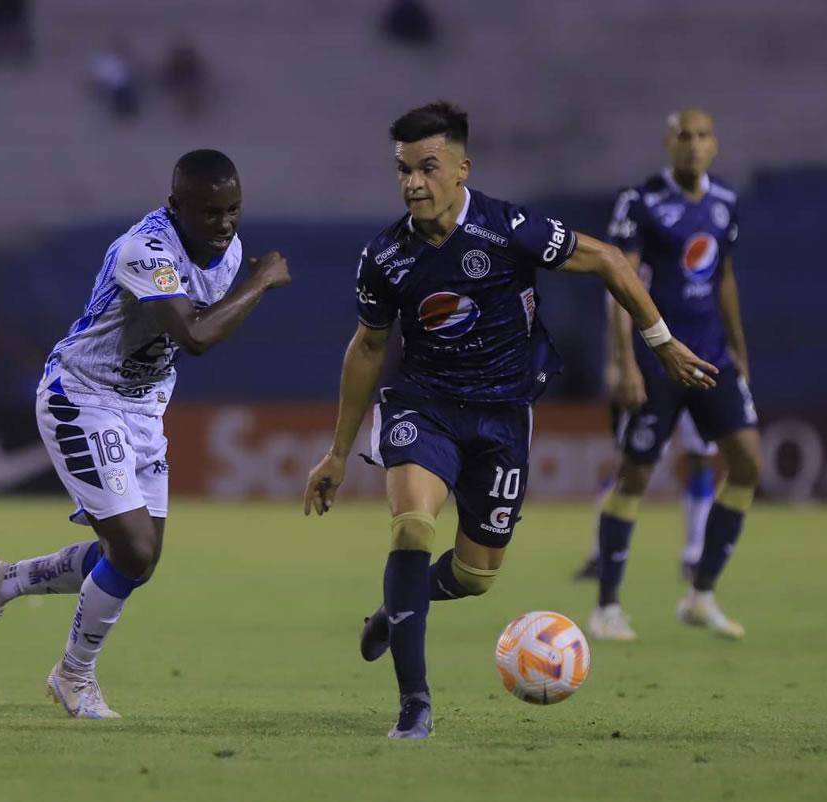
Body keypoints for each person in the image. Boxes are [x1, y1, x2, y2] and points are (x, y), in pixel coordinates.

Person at [303, 101, 715, 739]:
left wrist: (660, 342)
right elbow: (368, 348)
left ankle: (395, 608)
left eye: (428, 167)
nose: (414, 182)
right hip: (425, 406)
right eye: (403, 170)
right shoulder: (385, 257)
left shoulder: (509, 228)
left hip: (503, 416)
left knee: (474, 576)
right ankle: (415, 705)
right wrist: (337, 453)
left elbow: (609, 258)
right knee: (412, 527)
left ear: (462, 168)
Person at [0, 149, 290, 719]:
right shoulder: (147, 250)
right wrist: (260, 281)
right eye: (210, 213)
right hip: (82, 396)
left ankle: (1, 582)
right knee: (132, 550)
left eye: (233, 210)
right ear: (175, 207)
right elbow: (195, 336)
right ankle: (73, 676)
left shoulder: (227, 250)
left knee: (138, 558)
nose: (226, 224)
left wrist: (247, 278)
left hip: (141, 410)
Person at [585, 109, 759, 642]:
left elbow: (723, 277)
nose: (694, 145)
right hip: (657, 359)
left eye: (704, 135)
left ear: (716, 144)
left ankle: (700, 594)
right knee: (635, 475)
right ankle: (607, 606)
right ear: (668, 143)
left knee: (748, 464)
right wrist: (624, 360)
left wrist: (738, 349)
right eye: (685, 136)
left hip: (710, 358)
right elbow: (619, 283)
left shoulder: (726, 202)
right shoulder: (640, 203)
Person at [570, 293, 718, 583]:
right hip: (647, 372)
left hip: (698, 362)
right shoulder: (630, 258)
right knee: (627, 463)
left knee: (701, 456)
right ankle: (601, 553)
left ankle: (695, 555)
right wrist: (617, 364)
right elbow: (617, 309)